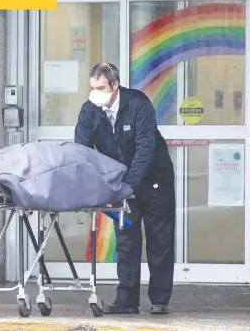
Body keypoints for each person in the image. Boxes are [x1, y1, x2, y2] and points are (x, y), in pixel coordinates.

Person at [74, 63, 176, 315]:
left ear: (115, 86)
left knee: (159, 240)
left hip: (155, 181)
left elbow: (145, 148)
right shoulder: (89, 111)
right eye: (92, 88)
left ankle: (160, 299)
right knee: (126, 241)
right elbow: (83, 151)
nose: (95, 93)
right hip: (121, 185)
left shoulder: (138, 104)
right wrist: (96, 185)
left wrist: (128, 185)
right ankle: (127, 301)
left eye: (101, 87)